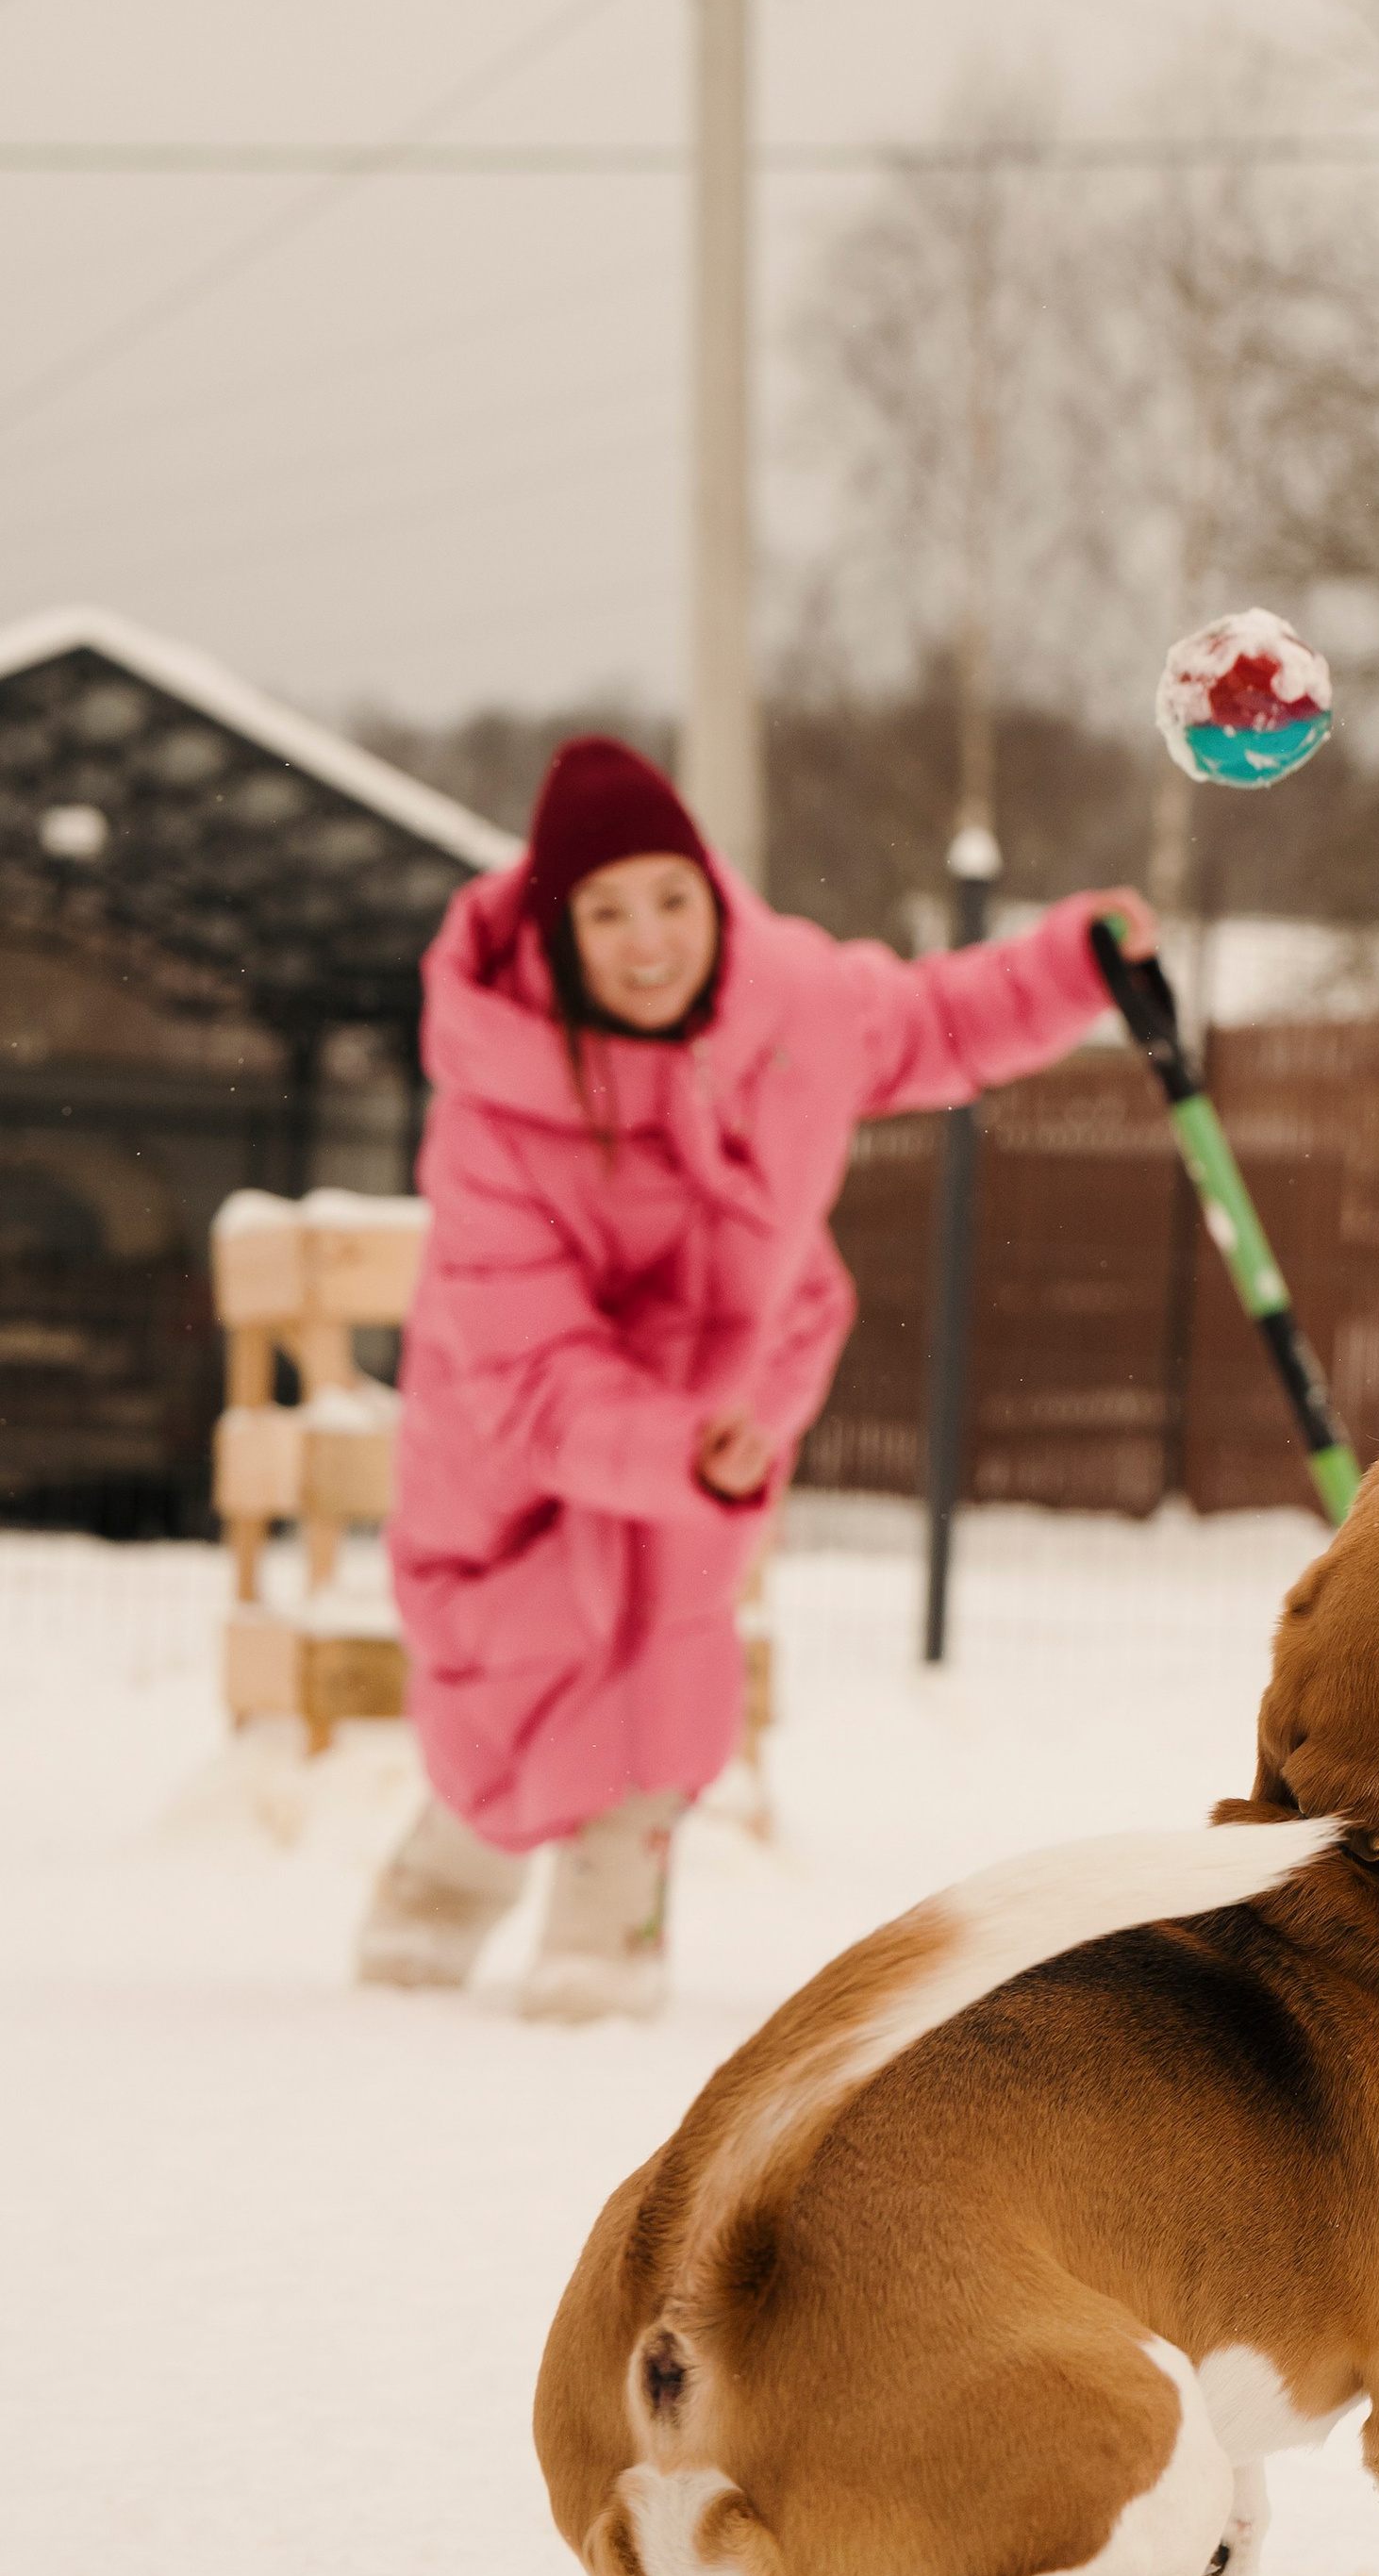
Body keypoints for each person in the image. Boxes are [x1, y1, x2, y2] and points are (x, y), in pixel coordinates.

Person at [357, 732, 1156, 2022]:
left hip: (719, 1404)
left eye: (672, 897)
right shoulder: (496, 1102)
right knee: (512, 1665)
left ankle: (613, 1901)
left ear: (711, 894)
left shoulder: (796, 1006)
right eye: (606, 913)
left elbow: (942, 1019)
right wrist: (667, 1444)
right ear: (558, 932)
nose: (650, 940)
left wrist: (1071, 964)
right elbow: (528, 1361)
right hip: (513, 1436)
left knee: (665, 1644)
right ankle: (455, 1864)